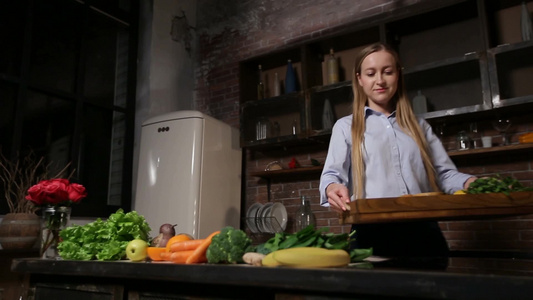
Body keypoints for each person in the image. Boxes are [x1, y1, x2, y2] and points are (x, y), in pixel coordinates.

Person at [319, 42, 477, 258]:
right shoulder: (346, 127)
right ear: (360, 79)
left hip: (425, 234)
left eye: (387, 72)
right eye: (371, 73)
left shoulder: (419, 127)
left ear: (398, 75)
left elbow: (443, 175)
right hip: (371, 235)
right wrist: (332, 188)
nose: (380, 80)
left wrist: (471, 183)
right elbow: (332, 176)